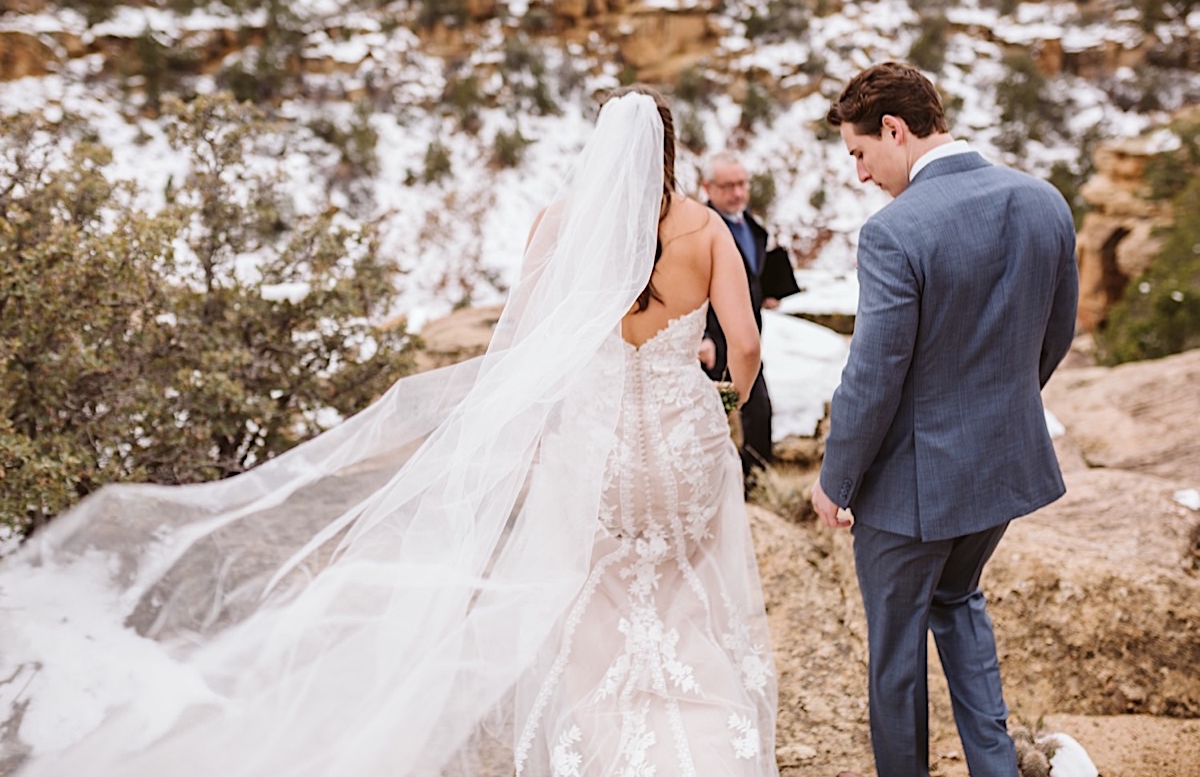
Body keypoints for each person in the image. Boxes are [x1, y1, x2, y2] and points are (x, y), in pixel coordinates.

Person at [3, 87, 779, 777]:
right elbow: (742, 346)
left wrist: (533, 428)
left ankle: (606, 748)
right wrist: (720, 407)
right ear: (672, 155)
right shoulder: (707, 230)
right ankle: (707, 736)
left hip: (593, 446)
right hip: (680, 445)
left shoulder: (558, 226)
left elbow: (518, 349)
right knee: (685, 592)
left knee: (593, 597)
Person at [810, 62, 1079, 777]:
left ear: (895, 129)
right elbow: (1055, 336)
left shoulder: (894, 233)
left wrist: (835, 480)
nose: (862, 175)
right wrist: (998, 411)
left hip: (907, 493)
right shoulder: (1044, 200)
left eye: (861, 154)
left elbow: (872, 377)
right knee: (959, 599)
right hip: (1000, 472)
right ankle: (995, 768)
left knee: (896, 657)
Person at [698, 151, 798, 485]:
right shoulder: (698, 227)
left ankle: (752, 485)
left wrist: (766, 291)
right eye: (728, 186)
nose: (737, 193)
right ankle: (711, 486)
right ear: (707, 187)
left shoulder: (751, 225)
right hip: (708, 343)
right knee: (709, 421)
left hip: (748, 338)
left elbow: (749, 274)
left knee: (758, 413)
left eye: (742, 184)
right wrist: (698, 338)